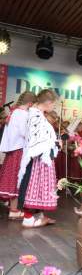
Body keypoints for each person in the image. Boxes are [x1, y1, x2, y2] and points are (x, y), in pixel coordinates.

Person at [17, 89, 60, 228]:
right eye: (53, 104)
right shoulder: (35, 115)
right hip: (37, 158)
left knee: (39, 187)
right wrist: (53, 144)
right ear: (47, 102)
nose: (54, 107)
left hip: (41, 157)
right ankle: (28, 218)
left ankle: (38, 215)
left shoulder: (38, 114)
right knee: (32, 186)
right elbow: (37, 139)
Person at [0, 91, 36, 220]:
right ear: (31, 103)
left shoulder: (15, 112)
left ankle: (12, 207)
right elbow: (23, 132)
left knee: (11, 177)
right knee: (16, 178)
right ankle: (14, 210)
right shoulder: (22, 114)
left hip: (13, 149)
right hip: (19, 149)